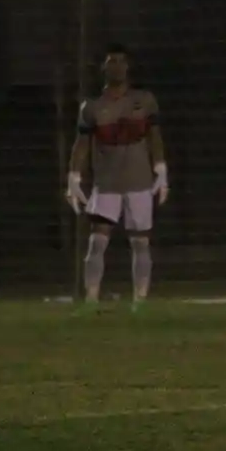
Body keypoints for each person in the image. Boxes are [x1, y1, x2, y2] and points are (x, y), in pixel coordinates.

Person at [66, 44, 168, 307]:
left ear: (129, 66)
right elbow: (82, 143)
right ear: (103, 67)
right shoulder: (92, 107)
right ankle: (91, 299)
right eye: (111, 62)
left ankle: (141, 300)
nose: (117, 67)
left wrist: (161, 170)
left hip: (139, 182)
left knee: (141, 242)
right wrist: (74, 177)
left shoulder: (144, 101)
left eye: (121, 62)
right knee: (97, 240)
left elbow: (154, 137)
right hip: (107, 183)